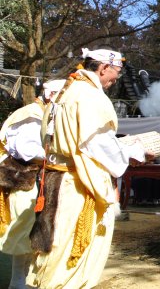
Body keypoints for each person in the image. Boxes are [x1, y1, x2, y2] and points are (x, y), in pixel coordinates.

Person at [26, 48, 149, 288]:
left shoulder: (67, 91)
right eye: (116, 72)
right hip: (76, 186)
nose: (116, 79)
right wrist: (135, 152)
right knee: (71, 254)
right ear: (103, 67)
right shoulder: (90, 96)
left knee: (54, 247)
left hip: (56, 179)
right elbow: (98, 145)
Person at [0, 80, 65, 289]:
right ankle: (17, 282)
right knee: (23, 232)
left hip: (32, 179)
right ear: (51, 95)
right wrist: (57, 156)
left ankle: (19, 281)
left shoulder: (43, 113)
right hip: (22, 180)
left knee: (29, 233)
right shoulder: (32, 114)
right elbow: (26, 149)